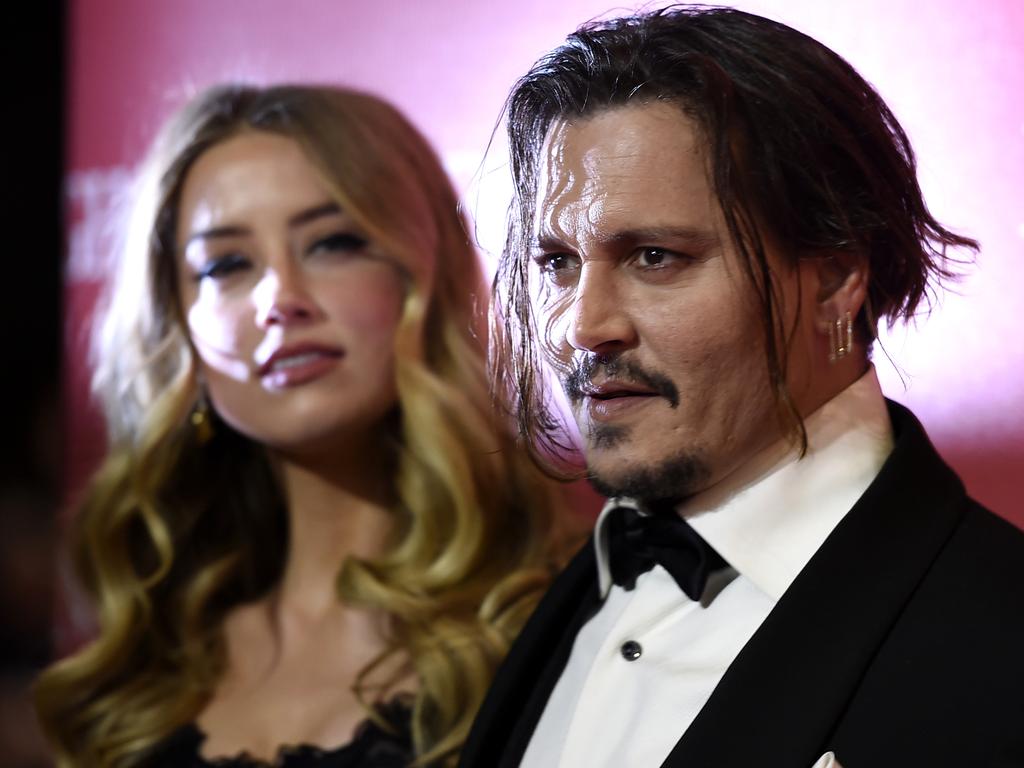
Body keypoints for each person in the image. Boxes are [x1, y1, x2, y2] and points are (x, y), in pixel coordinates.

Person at [460, 6, 1024, 768]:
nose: (580, 327)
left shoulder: (998, 634)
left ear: (835, 280)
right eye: (557, 262)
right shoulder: (544, 600)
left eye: (655, 256)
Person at [34, 83, 569, 768]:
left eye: (334, 243)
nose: (279, 299)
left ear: (424, 274)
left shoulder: (551, 620)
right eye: (226, 264)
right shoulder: (145, 661)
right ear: (179, 326)